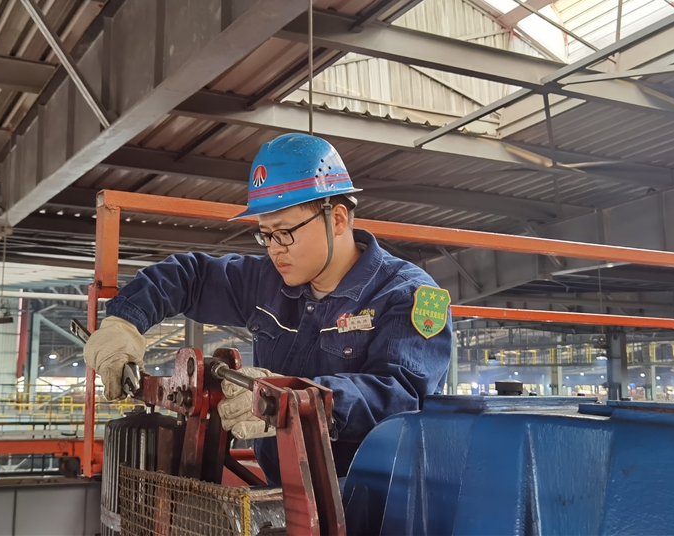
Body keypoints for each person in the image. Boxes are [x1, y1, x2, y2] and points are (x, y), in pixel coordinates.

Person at [84, 133, 452, 485]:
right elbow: (188, 276)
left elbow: (402, 395)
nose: (274, 248)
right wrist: (124, 321)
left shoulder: (405, 295)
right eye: (265, 234)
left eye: (284, 232)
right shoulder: (268, 282)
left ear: (337, 219)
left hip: (377, 500)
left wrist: (292, 400)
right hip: (283, 490)